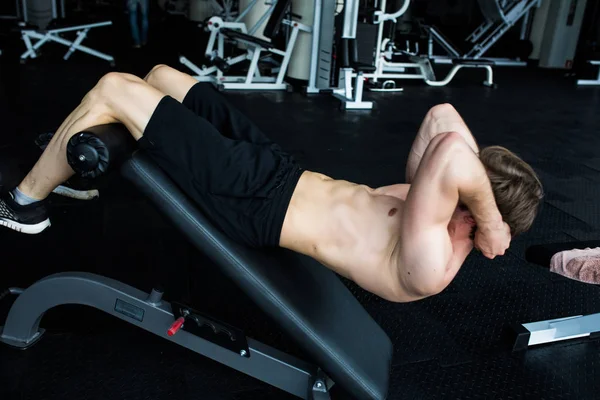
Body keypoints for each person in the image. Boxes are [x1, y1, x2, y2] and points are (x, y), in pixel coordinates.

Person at [0, 65, 544, 303]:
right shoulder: (441, 204)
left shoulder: (430, 260)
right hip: (280, 172)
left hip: (256, 202)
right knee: (165, 78)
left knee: (114, 88)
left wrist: (494, 222)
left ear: (473, 215)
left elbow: (451, 149)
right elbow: (442, 118)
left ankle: (26, 206)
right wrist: (488, 209)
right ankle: (67, 153)